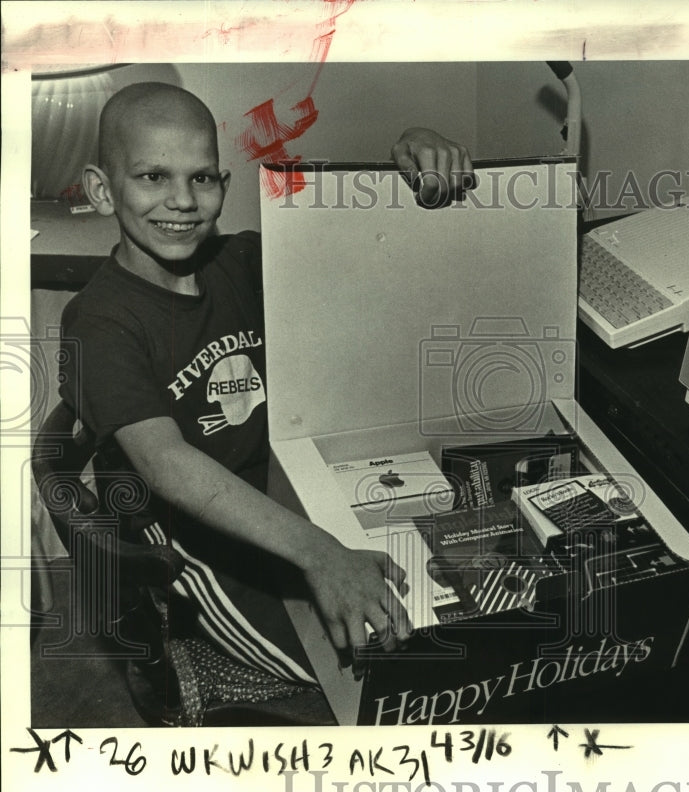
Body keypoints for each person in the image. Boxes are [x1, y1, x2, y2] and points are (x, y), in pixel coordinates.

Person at [59, 81, 474, 687]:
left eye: (201, 178)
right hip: (190, 536)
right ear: (102, 190)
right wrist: (320, 553)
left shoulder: (244, 259)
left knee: (439, 612)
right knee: (354, 670)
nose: (182, 201)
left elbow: (371, 244)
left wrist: (412, 156)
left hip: (286, 485)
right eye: (152, 177)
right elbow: (168, 464)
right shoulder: (98, 321)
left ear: (224, 186)